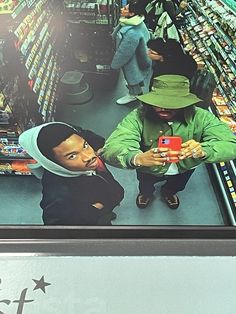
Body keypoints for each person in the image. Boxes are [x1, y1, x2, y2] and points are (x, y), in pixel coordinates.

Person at [102, 75, 236, 210]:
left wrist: (204, 150)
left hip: (184, 168)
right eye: (158, 102)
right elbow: (113, 146)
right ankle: (146, 193)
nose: (162, 107)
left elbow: (231, 145)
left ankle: (169, 193)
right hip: (148, 169)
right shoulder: (138, 116)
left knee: (177, 185)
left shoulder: (201, 117)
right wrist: (136, 158)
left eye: (172, 103)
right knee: (145, 184)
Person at [19, 122, 124, 225]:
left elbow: (87, 136)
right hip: (94, 218)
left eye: (85, 145)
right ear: (53, 163)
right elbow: (57, 226)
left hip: (106, 194)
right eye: (72, 156)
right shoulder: (57, 197)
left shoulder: (73, 138)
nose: (89, 156)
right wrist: (95, 210)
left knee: (107, 212)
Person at [111, 1, 151, 105]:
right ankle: (137, 90)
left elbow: (124, 52)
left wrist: (115, 65)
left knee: (132, 77)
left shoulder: (131, 32)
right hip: (139, 57)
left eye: (125, 9)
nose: (121, 9)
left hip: (131, 61)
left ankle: (133, 94)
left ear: (132, 14)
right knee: (136, 75)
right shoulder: (138, 22)